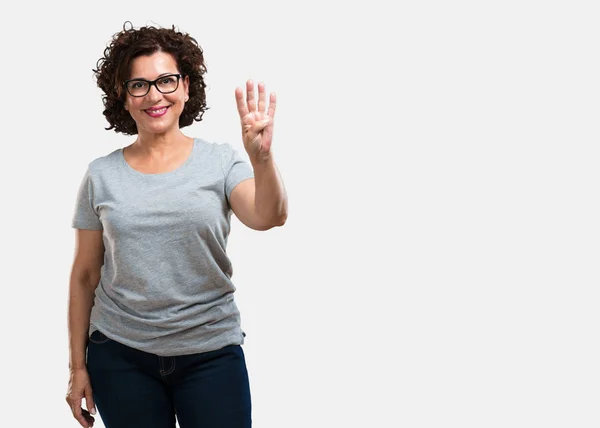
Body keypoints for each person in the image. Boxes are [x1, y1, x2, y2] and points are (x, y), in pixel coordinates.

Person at [65, 22, 288, 428]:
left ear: (186, 86)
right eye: (139, 85)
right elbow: (84, 276)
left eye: (166, 80)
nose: (155, 95)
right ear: (124, 96)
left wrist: (262, 159)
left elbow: (269, 215)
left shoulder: (220, 162)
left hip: (210, 352)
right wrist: (77, 367)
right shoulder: (101, 176)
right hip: (120, 355)